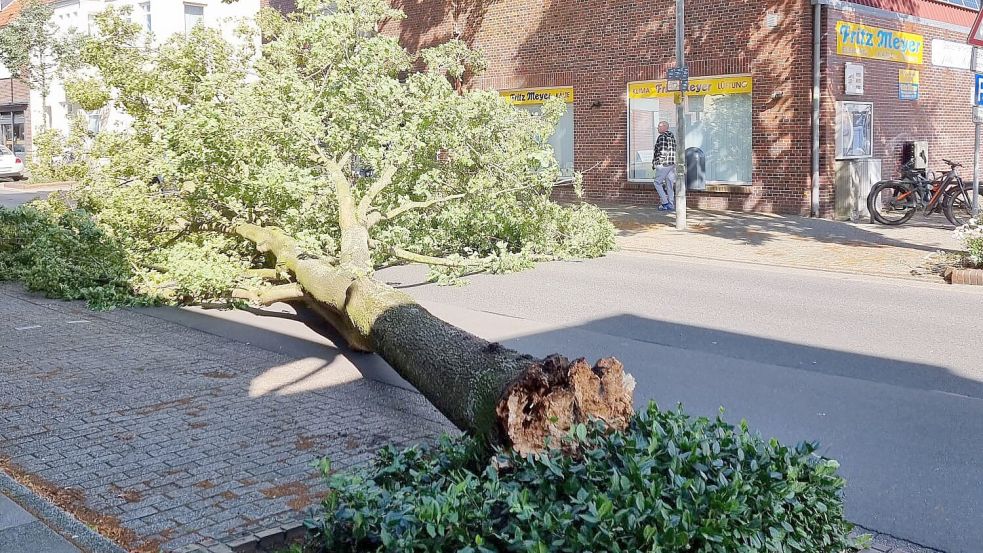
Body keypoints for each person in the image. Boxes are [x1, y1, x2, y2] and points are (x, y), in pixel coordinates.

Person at [652, 121, 676, 211]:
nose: (657, 128)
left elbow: (662, 151)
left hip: (664, 164)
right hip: (671, 163)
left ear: (665, 127)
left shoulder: (662, 137)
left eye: (659, 126)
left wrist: (657, 163)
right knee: (669, 184)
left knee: (657, 182)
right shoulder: (671, 136)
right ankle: (671, 203)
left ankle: (665, 203)